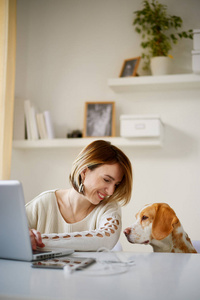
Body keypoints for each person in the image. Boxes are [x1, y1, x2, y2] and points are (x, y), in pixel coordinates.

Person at [26, 140, 133, 251]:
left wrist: (37, 241)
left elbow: (106, 240)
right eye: (106, 180)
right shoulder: (43, 203)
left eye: (116, 184)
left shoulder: (109, 208)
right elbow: (10, 234)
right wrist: (24, 237)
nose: (111, 192)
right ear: (84, 172)